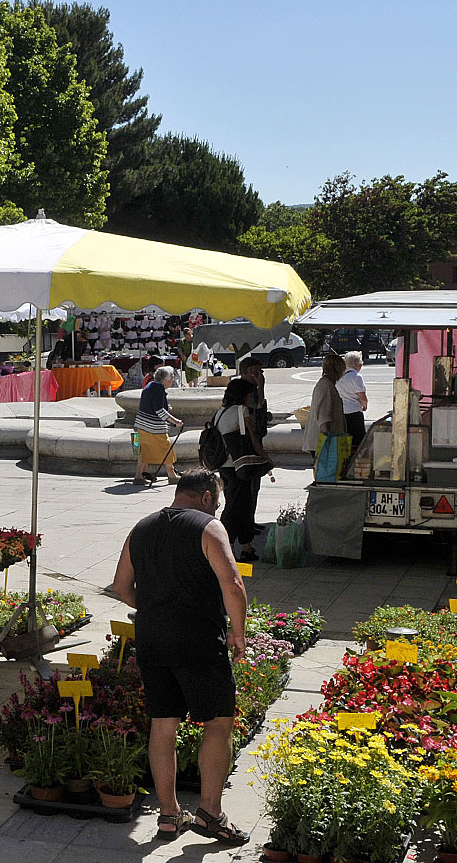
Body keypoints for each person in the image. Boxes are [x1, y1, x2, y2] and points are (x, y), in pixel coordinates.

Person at [110, 468, 249, 845]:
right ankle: (210, 813)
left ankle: (169, 815)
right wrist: (238, 633)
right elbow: (232, 584)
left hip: (152, 640)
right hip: (199, 641)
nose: (217, 510)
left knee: (163, 724)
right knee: (219, 722)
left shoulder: (140, 528)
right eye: (216, 503)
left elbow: (121, 586)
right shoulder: (208, 528)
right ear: (206, 497)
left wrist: (154, 610)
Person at [215, 379, 272, 562]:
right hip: (239, 465)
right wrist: (266, 457)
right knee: (236, 506)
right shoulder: (241, 410)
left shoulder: (220, 412)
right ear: (244, 396)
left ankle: (246, 546)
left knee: (242, 504)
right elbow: (252, 438)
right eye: (250, 395)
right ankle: (225, 547)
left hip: (224, 465)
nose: (251, 398)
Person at [134, 366, 183, 486]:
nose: (172, 380)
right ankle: (171, 475)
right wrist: (175, 421)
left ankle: (139, 476)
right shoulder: (158, 389)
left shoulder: (151, 386)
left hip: (142, 425)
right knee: (166, 447)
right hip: (153, 427)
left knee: (145, 450)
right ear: (166, 379)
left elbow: (154, 404)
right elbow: (159, 411)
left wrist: (167, 407)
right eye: (172, 377)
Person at [238, 357, 270, 525]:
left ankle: (250, 521)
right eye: (259, 370)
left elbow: (260, 409)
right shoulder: (243, 389)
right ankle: (246, 521)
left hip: (256, 438)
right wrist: (261, 386)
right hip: (248, 443)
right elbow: (257, 405)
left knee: (254, 485)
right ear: (251, 371)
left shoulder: (252, 388)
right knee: (249, 486)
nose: (262, 374)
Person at [303, 352, 347, 459]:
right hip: (322, 442)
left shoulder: (327, 384)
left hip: (322, 441)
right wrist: (327, 442)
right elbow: (323, 417)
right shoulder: (326, 386)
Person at [337, 351, 369, 448]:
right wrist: (365, 405)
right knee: (358, 440)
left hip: (342, 411)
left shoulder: (340, 376)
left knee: (346, 439)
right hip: (354, 411)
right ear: (358, 364)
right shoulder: (356, 377)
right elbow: (362, 397)